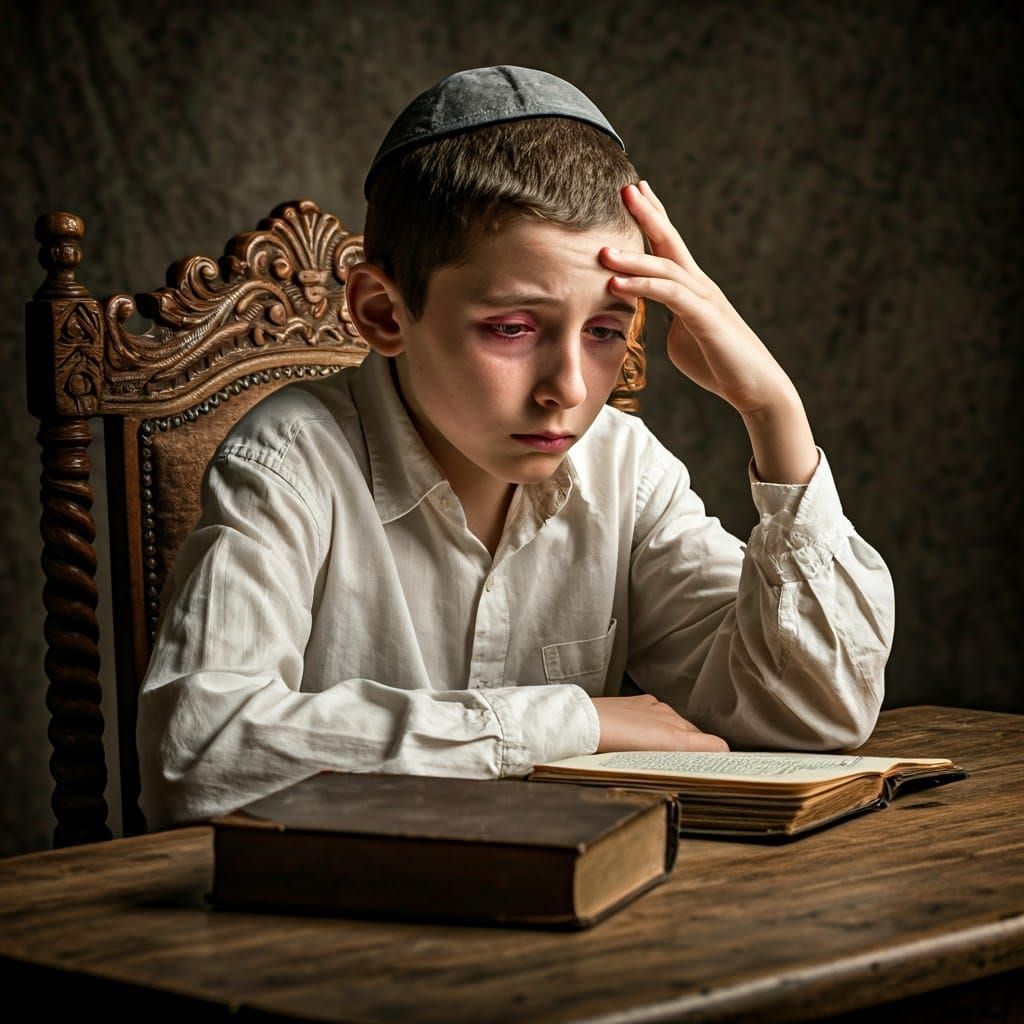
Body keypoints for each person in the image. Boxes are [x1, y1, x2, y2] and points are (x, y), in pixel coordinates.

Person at [137, 66, 895, 830]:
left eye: (606, 330)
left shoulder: (623, 467)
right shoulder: (289, 462)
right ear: (382, 312)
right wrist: (570, 723)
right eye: (513, 328)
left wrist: (773, 412)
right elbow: (197, 755)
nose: (567, 387)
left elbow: (812, 716)